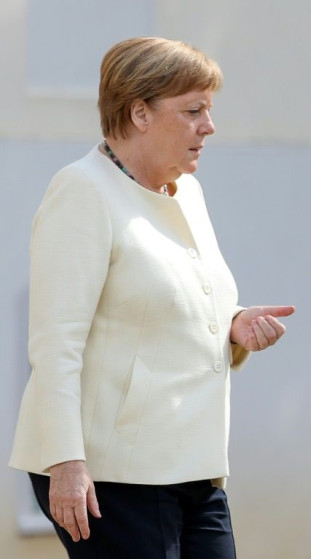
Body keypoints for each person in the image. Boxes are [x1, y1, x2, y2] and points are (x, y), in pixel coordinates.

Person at [9, 37, 294, 558]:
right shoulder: (82, 191)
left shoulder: (187, 191)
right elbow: (55, 345)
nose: (209, 126)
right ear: (139, 112)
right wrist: (66, 463)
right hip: (109, 473)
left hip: (195, 466)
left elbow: (165, 301)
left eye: (209, 110)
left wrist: (232, 324)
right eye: (193, 110)